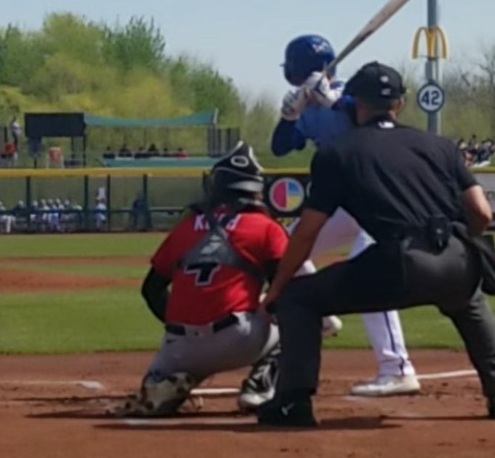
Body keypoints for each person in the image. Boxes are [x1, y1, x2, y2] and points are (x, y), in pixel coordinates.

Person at [256, 62, 495, 427]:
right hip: (456, 256)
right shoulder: (441, 145)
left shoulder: (338, 152)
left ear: (354, 104)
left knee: (298, 298)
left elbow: (306, 232)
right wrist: (465, 244)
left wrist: (278, 287)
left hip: (399, 264)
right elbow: (481, 212)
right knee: (468, 299)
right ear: (399, 103)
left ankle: (292, 403)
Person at [113, 142, 337, 417]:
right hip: (238, 340)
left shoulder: (184, 227)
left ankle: (168, 380)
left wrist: (180, 326)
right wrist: (324, 321)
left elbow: (151, 289)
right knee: (297, 312)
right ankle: (260, 385)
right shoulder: (265, 227)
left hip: (177, 348)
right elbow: (287, 290)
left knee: (165, 371)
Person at [271, 34, 418, 397]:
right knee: (283, 247)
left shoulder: (354, 95)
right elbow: (279, 147)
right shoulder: (307, 105)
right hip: (340, 202)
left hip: (377, 199)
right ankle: (322, 318)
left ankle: (397, 367)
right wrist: (288, 117)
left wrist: (338, 101)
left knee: (371, 270)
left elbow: (376, 119)